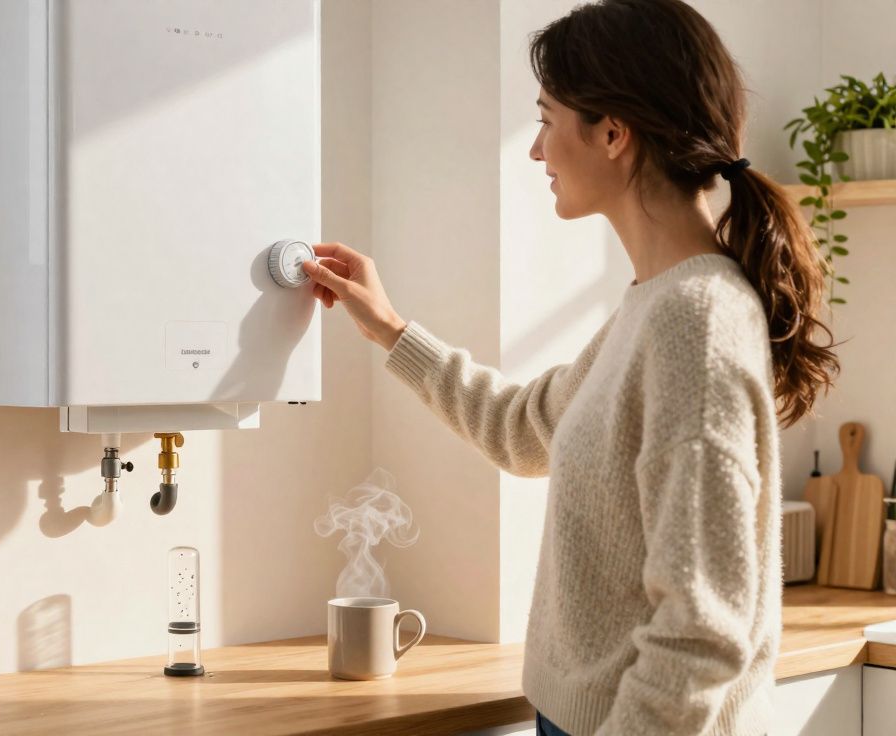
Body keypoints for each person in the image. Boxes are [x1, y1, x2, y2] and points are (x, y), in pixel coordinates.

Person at [301, 1, 840, 734]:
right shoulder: (656, 307)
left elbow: (705, 631)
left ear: (613, 133)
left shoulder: (698, 320)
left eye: (547, 119)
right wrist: (390, 330)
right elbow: (524, 430)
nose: (535, 151)